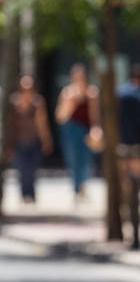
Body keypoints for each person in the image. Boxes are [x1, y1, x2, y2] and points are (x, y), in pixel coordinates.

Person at [55, 63, 101, 201]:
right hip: (71, 130)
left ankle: (83, 187)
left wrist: (96, 129)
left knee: (86, 160)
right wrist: (71, 102)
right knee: (73, 159)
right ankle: (76, 188)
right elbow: (60, 117)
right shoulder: (67, 93)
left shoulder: (92, 92)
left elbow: (95, 115)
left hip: (85, 130)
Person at [7, 75, 54, 204]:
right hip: (18, 142)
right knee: (21, 170)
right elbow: (10, 125)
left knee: (32, 170)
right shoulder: (14, 102)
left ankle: (31, 194)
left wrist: (46, 140)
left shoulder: (38, 103)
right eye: (24, 88)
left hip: (34, 141)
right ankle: (23, 194)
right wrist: (8, 144)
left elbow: (42, 123)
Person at [117, 64, 140, 248]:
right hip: (136, 150)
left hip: (124, 149)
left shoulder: (121, 94)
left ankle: (133, 236)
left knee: (129, 193)